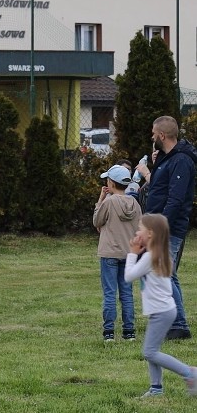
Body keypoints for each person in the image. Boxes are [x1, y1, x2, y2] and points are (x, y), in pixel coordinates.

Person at [124, 214, 197, 397]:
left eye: (140, 228)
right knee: (152, 349)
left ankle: (190, 373)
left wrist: (132, 253)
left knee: (149, 352)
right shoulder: (159, 254)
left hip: (162, 312)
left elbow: (129, 276)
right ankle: (156, 388)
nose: (137, 231)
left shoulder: (150, 257)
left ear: (150, 234)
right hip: (164, 310)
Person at [139, 116, 197, 340]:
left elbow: (175, 198)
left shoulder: (181, 160)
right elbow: (159, 187)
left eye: (154, 133)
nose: (152, 136)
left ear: (162, 135)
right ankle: (174, 323)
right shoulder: (168, 158)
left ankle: (178, 324)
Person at [93, 165, 141, 342]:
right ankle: (129, 332)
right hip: (128, 254)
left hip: (109, 253)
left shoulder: (109, 202)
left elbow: (97, 221)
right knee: (126, 293)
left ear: (111, 183)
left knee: (110, 293)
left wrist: (101, 199)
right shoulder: (135, 203)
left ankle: (109, 333)